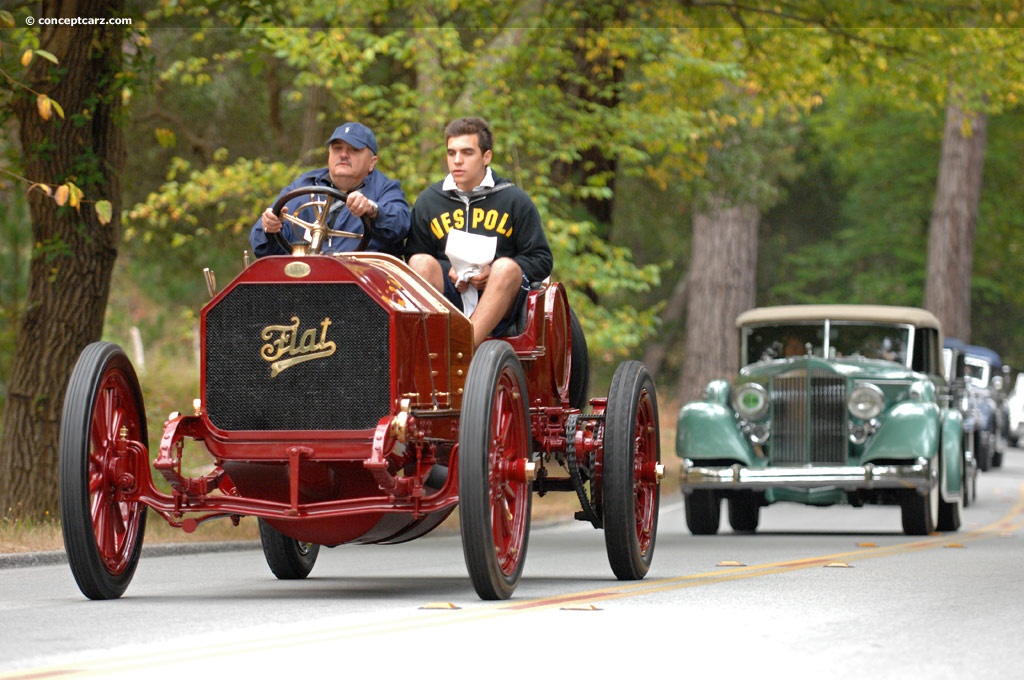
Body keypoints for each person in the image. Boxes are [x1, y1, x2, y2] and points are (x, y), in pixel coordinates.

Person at [406, 117, 553, 347]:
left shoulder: (514, 200)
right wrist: (453, 271)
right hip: (448, 301)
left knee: (506, 267)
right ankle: (429, 349)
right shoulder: (429, 201)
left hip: (500, 303)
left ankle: (460, 352)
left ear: (487, 156)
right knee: (419, 262)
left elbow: (542, 259)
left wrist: (492, 272)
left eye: (467, 152)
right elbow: (413, 256)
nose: (457, 161)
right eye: (451, 153)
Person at [250, 122, 410, 257]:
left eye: (354, 149)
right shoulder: (303, 185)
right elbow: (263, 247)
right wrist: (270, 227)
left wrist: (373, 210)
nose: (344, 155)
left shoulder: (385, 188)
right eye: (337, 148)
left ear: (372, 162)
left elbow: (401, 224)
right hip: (303, 283)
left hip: (359, 283)